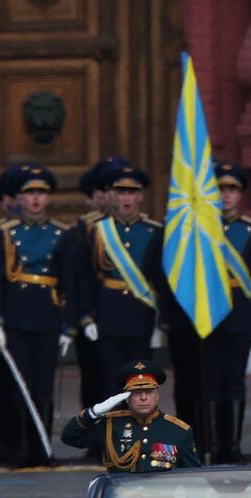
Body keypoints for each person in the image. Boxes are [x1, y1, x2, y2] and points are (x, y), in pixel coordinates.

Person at [0, 164, 71, 467]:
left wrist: (68, 326)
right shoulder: (4, 234)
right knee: (18, 386)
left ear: (48, 199)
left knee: (43, 385)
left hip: (48, 315)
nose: (35, 200)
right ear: (18, 199)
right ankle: (20, 449)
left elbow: (69, 281)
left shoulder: (61, 234)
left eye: (41, 194)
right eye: (29, 194)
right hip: (16, 316)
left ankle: (42, 448)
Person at [72, 164, 169, 393]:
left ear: (141, 197)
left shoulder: (154, 231)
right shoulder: (96, 230)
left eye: (132, 192)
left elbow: (161, 279)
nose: (127, 198)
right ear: (111, 196)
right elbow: (86, 278)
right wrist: (86, 317)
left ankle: (138, 429)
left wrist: (161, 322)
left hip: (142, 313)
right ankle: (113, 430)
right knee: (111, 381)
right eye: (120, 192)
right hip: (108, 314)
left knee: (142, 382)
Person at [205, 163, 251, 464]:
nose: (226, 196)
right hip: (208, 310)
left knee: (235, 381)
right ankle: (215, 445)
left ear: (240, 195)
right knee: (212, 380)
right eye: (221, 190)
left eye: (232, 190)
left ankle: (233, 445)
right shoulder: (202, 230)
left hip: (240, 312)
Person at [60, 360, 201, 471]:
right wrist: (94, 412)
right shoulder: (111, 425)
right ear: (127, 398)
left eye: (149, 392)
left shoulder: (178, 431)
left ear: (157, 395)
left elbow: (193, 479)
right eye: (137, 393)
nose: (144, 398)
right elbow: (69, 437)